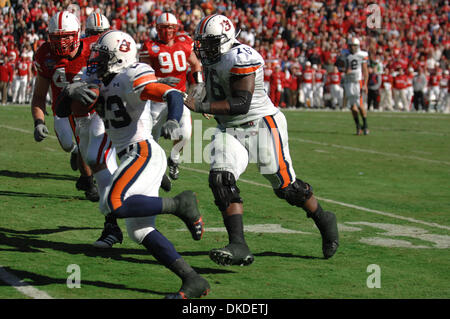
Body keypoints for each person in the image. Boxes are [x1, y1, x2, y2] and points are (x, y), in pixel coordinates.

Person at [185, 14, 339, 266]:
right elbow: (211, 84)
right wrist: (200, 91)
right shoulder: (213, 57)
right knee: (221, 179)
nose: (205, 47)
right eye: (203, 42)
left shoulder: (242, 56)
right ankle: (239, 245)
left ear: (225, 40)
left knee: (287, 189)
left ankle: (323, 218)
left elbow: (241, 103)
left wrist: (204, 103)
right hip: (228, 128)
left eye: (210, 42)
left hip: (260, 124)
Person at [69, 30, 209, 298]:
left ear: (118, 58)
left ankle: (181, 205)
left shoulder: (130, 75)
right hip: (131, 155)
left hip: (143, 151)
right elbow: (66, 110)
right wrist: (70, 90)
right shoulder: (101, 80)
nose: (96, 60)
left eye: (103, 56)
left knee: (113, 202)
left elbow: (172, 94)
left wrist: (172, 119)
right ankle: (192, 279)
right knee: (140, 230)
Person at [31, 11, 99, 202]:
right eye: (57, 37)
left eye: (66, 36)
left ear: (77, 34)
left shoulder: (93, 48)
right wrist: (38, 121)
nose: (61, 42)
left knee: (93, 145)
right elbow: (38, 95)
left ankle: (89, 180)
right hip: (62, 110)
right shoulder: (45, 54)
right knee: (71, 144)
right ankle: (79, 157)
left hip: (92, 106)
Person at [139, 12, 204, 181]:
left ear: (176, 29)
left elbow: (196, 64)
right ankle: (151, 166)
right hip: (157, 99)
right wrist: (160, 79)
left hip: (180, 95)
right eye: (163, 27)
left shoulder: (184, 43)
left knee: (185, 135)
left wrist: (199, 89)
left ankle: (174, 159)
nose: (167, 31)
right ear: (157, 28)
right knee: (152, 137)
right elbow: (143, 76)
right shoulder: (149, 47)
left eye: (170, 27)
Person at [343, 37, 369, 135]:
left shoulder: (362, 55)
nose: (353, 48)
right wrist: (345, 71)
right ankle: (358, 126)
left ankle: (365, 125)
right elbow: (341, 68)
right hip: (348, 82)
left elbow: (365, 70)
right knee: (352, 107)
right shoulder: (345, 55)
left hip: (358, 82)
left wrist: (365, 84)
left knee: (360, 105)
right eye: (351, 46)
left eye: (355, 46)